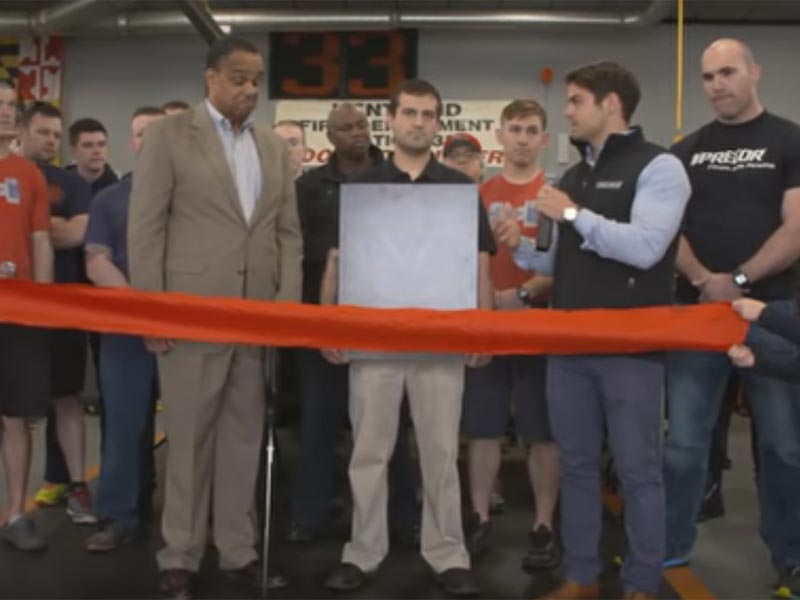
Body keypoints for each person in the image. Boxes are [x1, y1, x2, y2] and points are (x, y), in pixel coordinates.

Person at [494, 62, 690, 599]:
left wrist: (573, 215)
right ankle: (580, 576)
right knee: (576, 466)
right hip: (570, 345)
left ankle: (642, 584)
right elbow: (555, 263)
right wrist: (520, 247)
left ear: (611, 104)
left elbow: (646, 248)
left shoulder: (661, 167)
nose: (568, 112)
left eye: (577, 101)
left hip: (631, 349)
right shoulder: (572, 177)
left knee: (637, 471)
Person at [128, 36, 302, 599]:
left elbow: (288, 234)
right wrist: (151, 312)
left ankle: (238, 550)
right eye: (239, 79)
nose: (250, 89)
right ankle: (179, 553)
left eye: (256, 80)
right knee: (188, 440)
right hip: (189, 317)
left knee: (243, 441)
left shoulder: (272, 145)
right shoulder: (168, 136)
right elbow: (146, 227)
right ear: (210, 78)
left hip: (256, 320)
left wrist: (286, 309)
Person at [321, 79, 494, 598]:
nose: (419, 122)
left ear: (437, 123)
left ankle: (448, 553)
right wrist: (328, 323)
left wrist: (483, 328)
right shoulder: (362, 187)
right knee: (369, 452)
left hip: (441, 340)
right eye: (411, 113)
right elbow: (336, 259)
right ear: (391, 119)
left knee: (440, 452)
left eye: (428, 114)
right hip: (373, 339)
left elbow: (480, 264)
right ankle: (362, 551)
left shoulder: (459, 189)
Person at [662, 39, 800, 599]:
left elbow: (797, 229)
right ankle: (669, 549)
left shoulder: (790, 140)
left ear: (754, 72)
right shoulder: (684, 152)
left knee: (784, 446)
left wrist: (738, 281)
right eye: (708, 76)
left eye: (727, 72)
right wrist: (704, 281)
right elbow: (668, 228)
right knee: (683, 444)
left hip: (771, 314)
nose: (717, 84)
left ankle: (791, 557)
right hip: (697, 313)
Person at [288, 103, 419, 545]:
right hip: (322, 317)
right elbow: (295, 247)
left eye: (362, 125)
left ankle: (403, 515)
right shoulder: (308, 187)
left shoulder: (395, 179)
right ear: (330, 137)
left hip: (382, 315)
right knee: (318, 420)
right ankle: (310, 514)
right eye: (346, 128)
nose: (357, 133)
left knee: (391, 424)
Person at [461, 100, 560, 573]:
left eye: (531, 130)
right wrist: (490, 301)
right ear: (500, 136)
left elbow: (565, 265)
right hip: (489, 327)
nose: (522, 138)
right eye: (515, 129)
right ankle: (479, 518)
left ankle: (543, 524)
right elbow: (464, 260)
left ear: (544, 139)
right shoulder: (479, 196)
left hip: (540, 328)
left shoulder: (555, 197)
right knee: (483, 429)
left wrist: (522, 293)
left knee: (543, 432)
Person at [82, 106, 165, 552]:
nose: (147, 140)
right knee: (124, 427)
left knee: (194, 430)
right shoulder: (109, 200)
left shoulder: (194, 201)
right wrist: (143, 315)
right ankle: (117, 515)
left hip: (184, 330)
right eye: (139, 133)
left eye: (156, 132)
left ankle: (194, 521)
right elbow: (97, 263)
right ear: (130, 142)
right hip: (126, 332)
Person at [18, 101, 96, 525]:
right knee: (11, 412)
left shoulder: (71, 183)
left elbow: (78, 233)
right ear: (22, 131)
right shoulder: (7, 175)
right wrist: (49, 228)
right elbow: (58, 232)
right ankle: (15, 505)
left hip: (62, 307)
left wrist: (24, 228)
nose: (50, 140)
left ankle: (78, 485)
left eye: (55, 134)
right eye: (42, 132)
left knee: (66, 398)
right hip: (12, 309)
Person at [0, 80, 54, 552]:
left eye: (8, 105)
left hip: (18, 316)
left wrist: (45, 307)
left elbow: (41, 243)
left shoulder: (28, 173)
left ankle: (16, 513)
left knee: (16, 417)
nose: (4, 111)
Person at [67, 117, 118, 195]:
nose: (97, 151)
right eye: (88, 145)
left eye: (101, 144)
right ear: (73, 151)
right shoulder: (60, 186)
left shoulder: (119, 190)